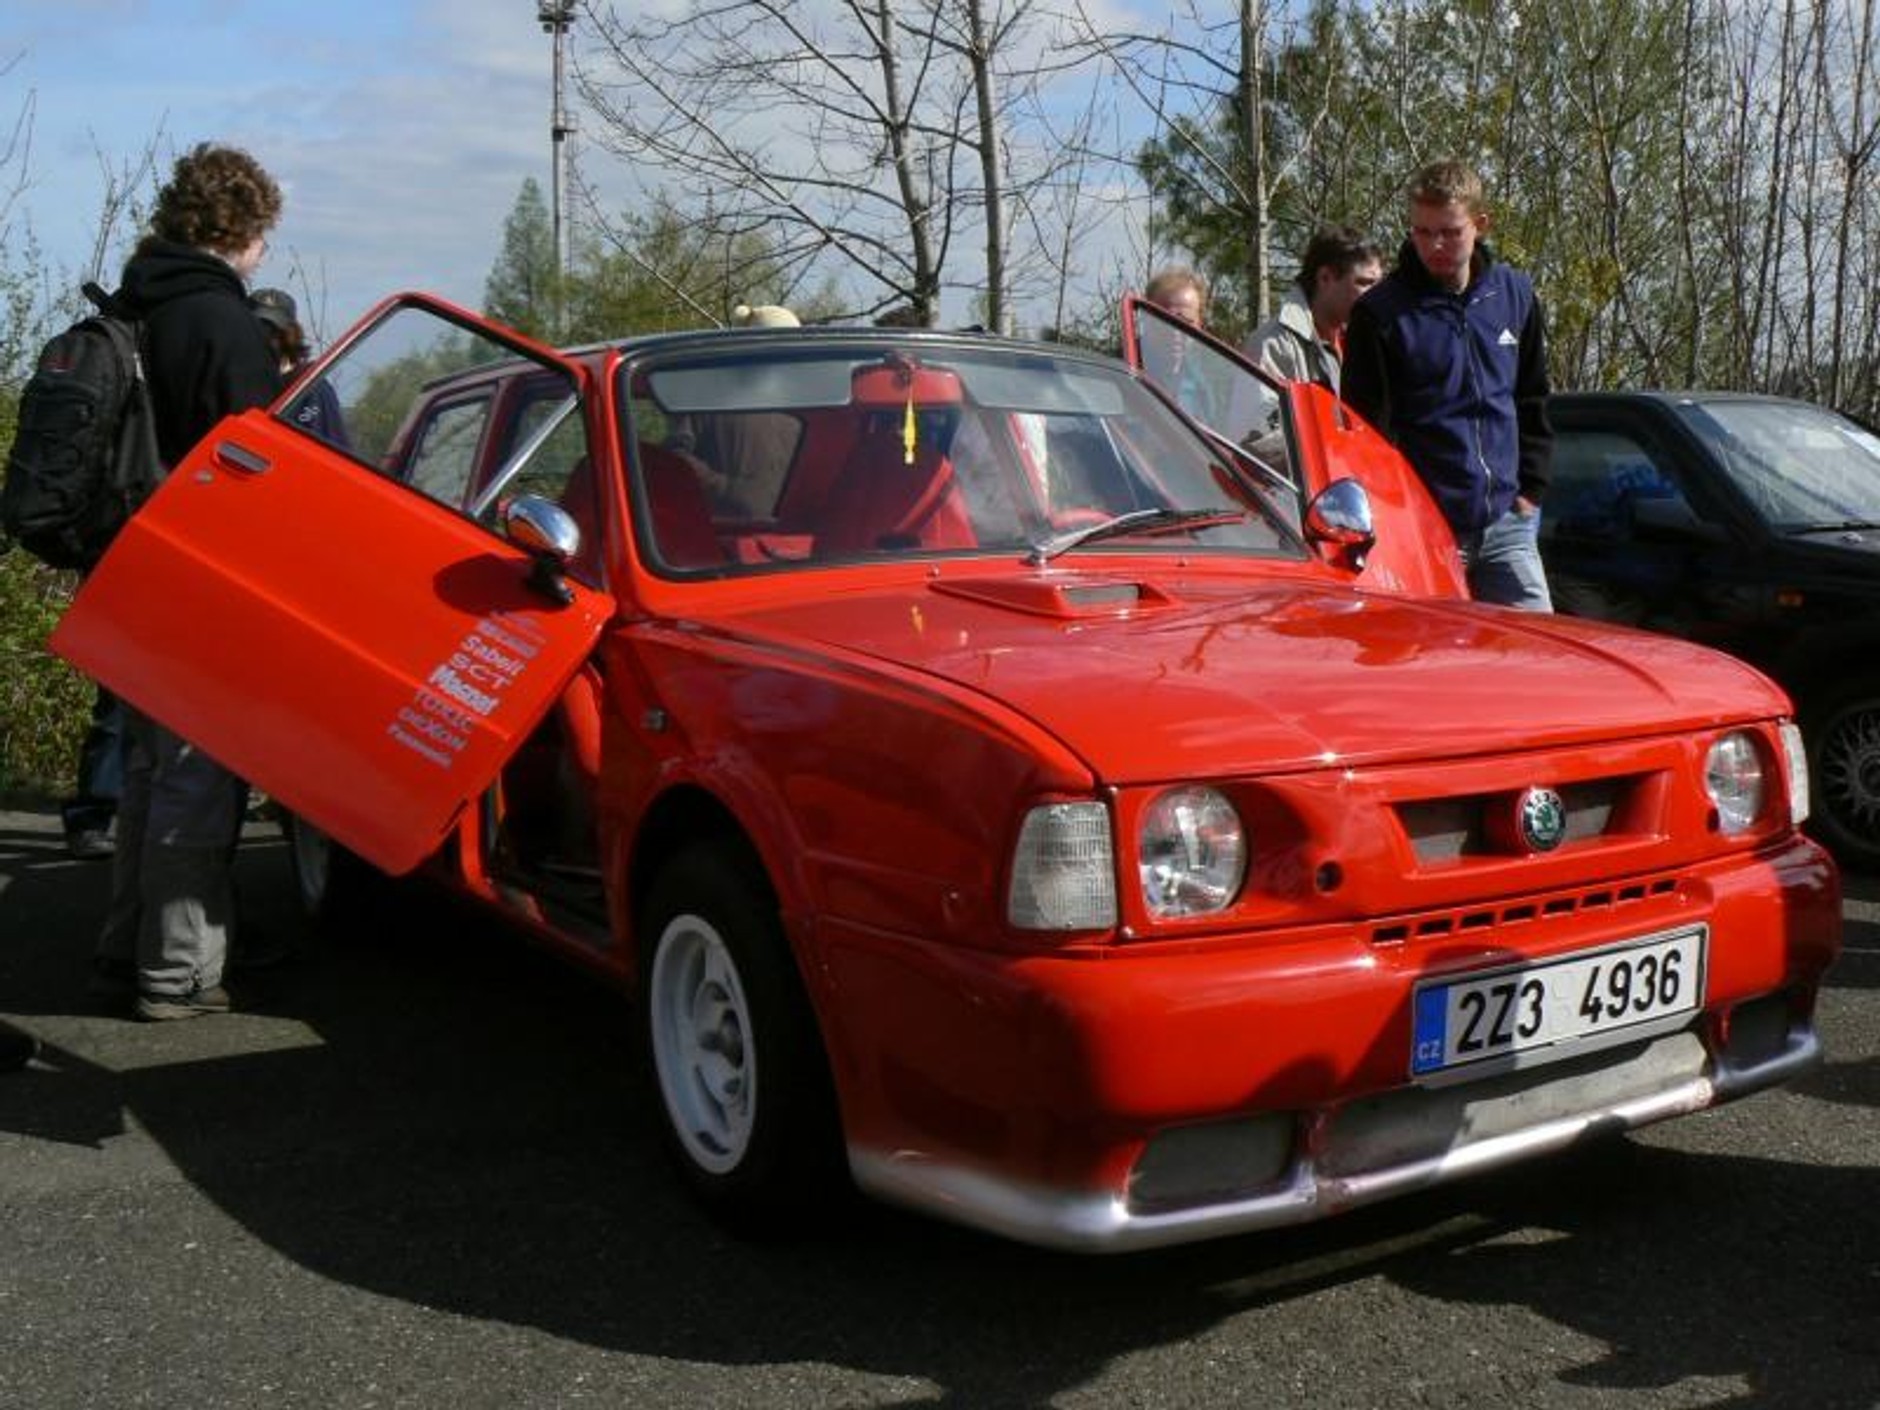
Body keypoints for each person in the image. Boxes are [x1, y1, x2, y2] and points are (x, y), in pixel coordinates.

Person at [92, 142, 284, 1021]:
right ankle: (178, 973)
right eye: (262, 236)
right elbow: (262, 472)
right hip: (197, 578)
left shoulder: (136, 303)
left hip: (127, 570)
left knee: (145, 767)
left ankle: (126, 942)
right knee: (196, 777)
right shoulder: (219, 322)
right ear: (241, 229)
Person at [1342, 159, 1554, 611]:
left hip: (1507, 522)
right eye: (1422, 231)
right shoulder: (1381, 314)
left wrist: (1531, 490)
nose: (1435, 245)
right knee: (1433, 664)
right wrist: (1398, 516)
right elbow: (1365, 434)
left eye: (1450, 232)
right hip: (1427, 529)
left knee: (1536, 656)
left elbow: (1532, 397)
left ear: (1479, 225)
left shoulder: (1514, 294)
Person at [667, 304, 802, 518]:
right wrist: (728, 490)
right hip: (718, 540)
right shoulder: (704, 403)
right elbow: (675, 461)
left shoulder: (806, 410)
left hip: (802, 543)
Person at [1243, 226, 1383, 394]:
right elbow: (1256, 419)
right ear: (1325, 277)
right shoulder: (1273, 346)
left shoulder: (1365, 342)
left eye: (1378, 284)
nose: (1377, 294)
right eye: (1364, 283)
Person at [251, 286, 346, 448]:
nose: (264, 338)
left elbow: (332, 453)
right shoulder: (242, 384)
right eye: (256, 329)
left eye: (273, 332)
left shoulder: (311, 390)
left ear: (290, 335)